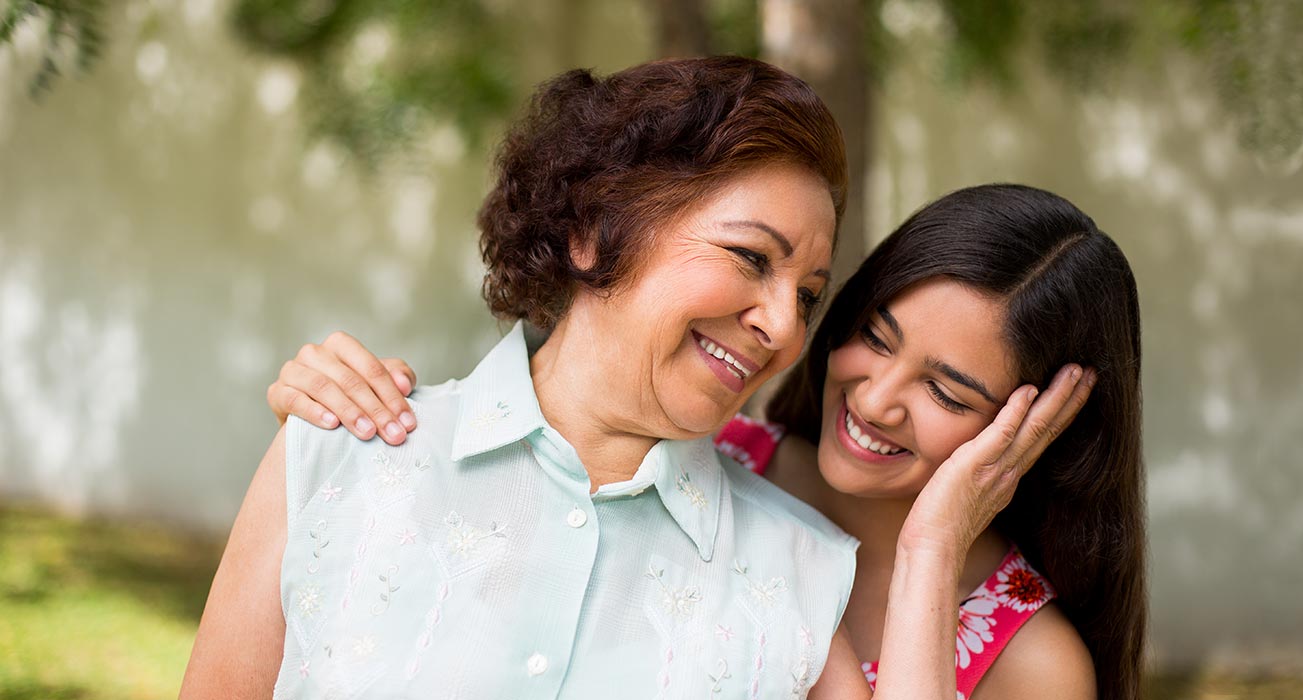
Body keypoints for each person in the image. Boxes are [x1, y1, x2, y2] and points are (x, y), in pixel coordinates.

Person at [269, 184, 1145, 699]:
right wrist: (348, 404)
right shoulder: (703, 457)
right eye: (874, 338)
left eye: (946, 391)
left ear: (1039, 431)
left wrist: (930, 551)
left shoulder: (1034, 663)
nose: (876, 399)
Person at [186, 55, 881, 698]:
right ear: (594, 231)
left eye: (808, 296)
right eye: (752, 257)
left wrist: (936, 545)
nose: (785, 328)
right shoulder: (335, 452)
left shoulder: (799, 576)